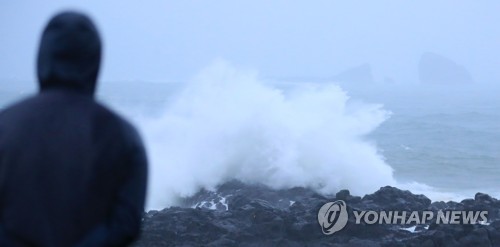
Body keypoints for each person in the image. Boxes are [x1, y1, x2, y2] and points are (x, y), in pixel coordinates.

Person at [0, 11, 148, 247]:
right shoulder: (123, 135)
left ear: (43, 56)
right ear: (95, 59)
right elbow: (126, 223)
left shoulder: (5, 124)